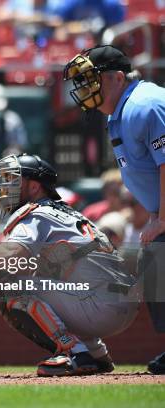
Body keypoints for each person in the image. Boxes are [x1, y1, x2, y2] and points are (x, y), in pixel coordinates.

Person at [0, 153, 140, 376]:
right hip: (122, 302)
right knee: (46, 282)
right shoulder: (67, 212)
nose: (7, 186)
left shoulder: (35, 213)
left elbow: (12, 254)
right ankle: (96, 354)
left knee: (7, 287)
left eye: (14, 180)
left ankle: (75, 352)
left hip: (99, 305)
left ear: (34, 187)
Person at [64, 44, 165, 374]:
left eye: (92, 79)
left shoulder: (144, 105)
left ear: (117, 78)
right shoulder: (122, 110)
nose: (85, 88)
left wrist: (162, 217)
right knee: (157, 272)